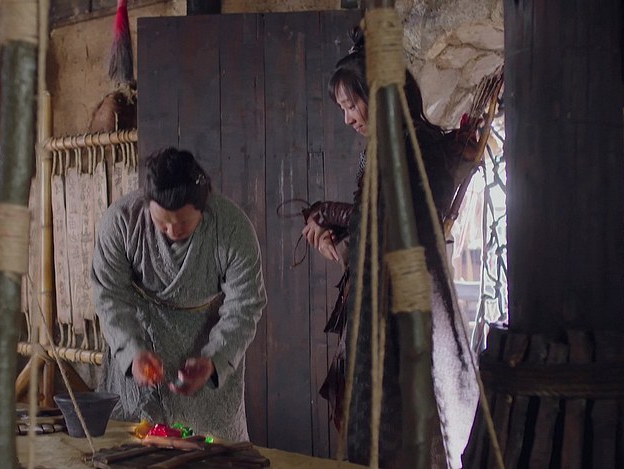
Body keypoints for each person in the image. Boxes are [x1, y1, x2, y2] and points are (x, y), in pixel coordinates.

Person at [302, 29, 479, 468]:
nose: (348, 119)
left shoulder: (418, 148)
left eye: (352, 105)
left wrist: (333, 221)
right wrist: (337, 232)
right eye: (343, 109)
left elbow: (393, 225)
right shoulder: (383, 149)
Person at [91, 147, 267, 442]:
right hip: (142, 340)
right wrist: (132, 352)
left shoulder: (231, 227)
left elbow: (245, 304)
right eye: (162, 222)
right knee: (134, 445)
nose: (172, 231)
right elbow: (110, 295)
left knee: (212, 449)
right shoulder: (121, 221)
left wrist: (215, 360)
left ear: (203, 206)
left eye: (183, 223)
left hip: (207, 342)